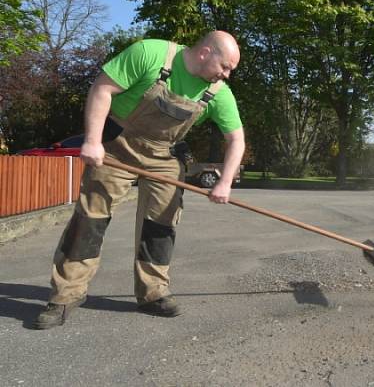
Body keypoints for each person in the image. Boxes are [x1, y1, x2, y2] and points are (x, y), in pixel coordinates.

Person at [34, 31, 246, 330]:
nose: (226, 75)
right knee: (90, 219)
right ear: (205, 52)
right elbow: (102, 89)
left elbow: (236, 139)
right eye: (224, 66)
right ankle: (65, 296)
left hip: (164, 156)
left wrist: (224, 181)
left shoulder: (218, 92)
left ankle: (153, 293)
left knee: (161, 223)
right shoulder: (151, 54)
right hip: (118, 146)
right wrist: (93, 141)